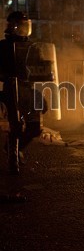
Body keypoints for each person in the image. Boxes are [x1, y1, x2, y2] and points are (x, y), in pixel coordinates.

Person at [0, 11, 45, 174]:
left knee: (35, 128)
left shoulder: (33, 47)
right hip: (12, 89)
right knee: (16, 126)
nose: (23, 29)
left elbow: (42, 69)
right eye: (20, 25)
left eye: (26, 26)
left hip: (30, 89)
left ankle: (12, 148)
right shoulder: (3, 46)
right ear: (12, 26)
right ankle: (13, 161)